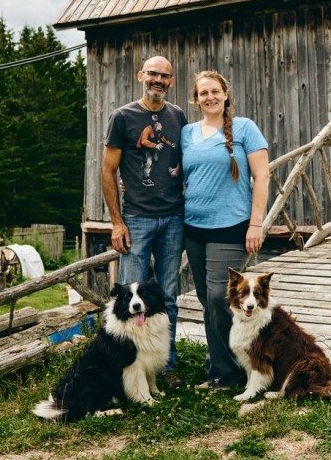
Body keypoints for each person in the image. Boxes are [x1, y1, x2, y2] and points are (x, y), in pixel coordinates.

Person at [181, 70, 270, 390]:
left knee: (221, 298)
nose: (210, 97)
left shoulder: (245, 128)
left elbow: (262, 176)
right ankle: (220, 368)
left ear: (225, 94)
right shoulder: (187, 133)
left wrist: (256, 223)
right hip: (193, 227)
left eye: (215, 91)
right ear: (196, 99)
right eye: (203, 93)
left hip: (231, 226)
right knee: (208, 300)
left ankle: (230, 372)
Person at [101, 56, 187, 387]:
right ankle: (127, 367)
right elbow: (108, 170)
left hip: (173, 218)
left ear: (171, 81)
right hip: (136, 218)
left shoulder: (177, 115)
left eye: (165, 76)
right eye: (153, 73)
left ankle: (165, 365)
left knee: (167, 297)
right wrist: (117, 222)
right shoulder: (123, 117)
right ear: (141, 76)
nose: (158, 80)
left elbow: (184, 160)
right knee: (129, 299)